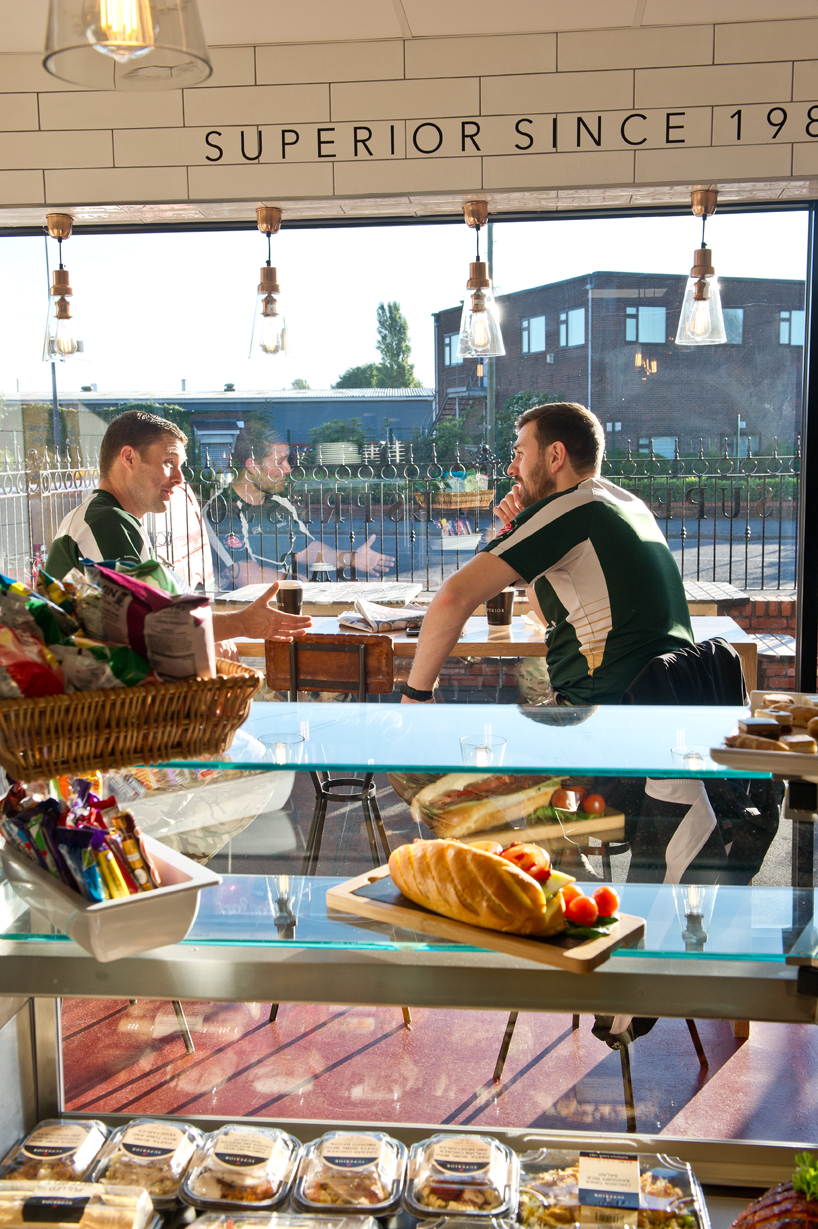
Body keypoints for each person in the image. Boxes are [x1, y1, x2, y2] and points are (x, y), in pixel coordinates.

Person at [400, 401, 693, 705]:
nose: (512, 468)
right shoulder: (623, 503)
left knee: (481, 739)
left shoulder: (575, 507)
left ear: (555, 456)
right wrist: (524, 536)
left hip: (601, 711)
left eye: (520, 454)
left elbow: (453, 596)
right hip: (655, 703)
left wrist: (416, 695)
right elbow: (552, 618)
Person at [44, 409, 312, 646]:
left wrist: (210, 633)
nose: (179, 478)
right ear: (129, 458)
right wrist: (241, 624)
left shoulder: (118, 518)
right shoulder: (105, 521)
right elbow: (146, 624)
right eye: (169, 463)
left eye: (180, 466)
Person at [203, 440, 395, 592]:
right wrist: (305, 585)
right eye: (280, 462)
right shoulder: (221, 510)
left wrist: (352, 559)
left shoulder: (279, 503)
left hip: (287, 603)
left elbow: (305, 550)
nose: (287, 469)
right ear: (252, 466)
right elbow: (245, 575)